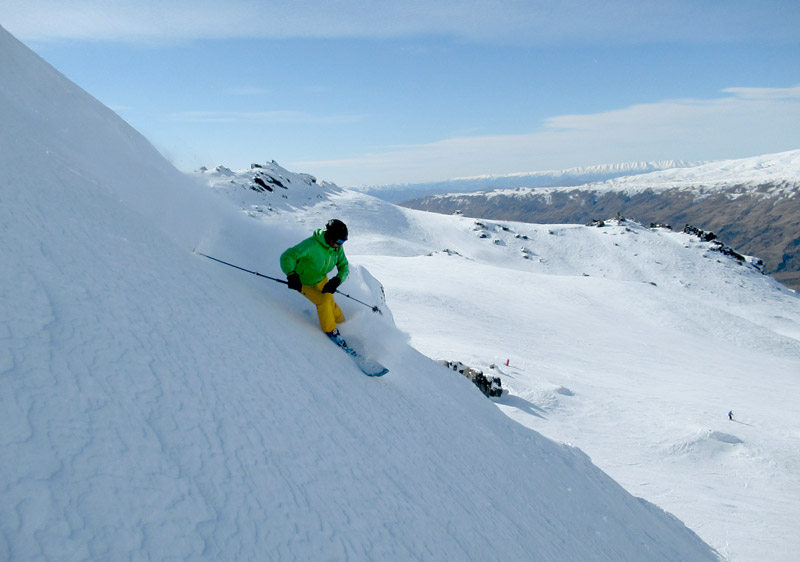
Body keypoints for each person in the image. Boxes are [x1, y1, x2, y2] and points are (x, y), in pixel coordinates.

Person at [280, 219, 350, 345]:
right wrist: (292, 275)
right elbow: (287, 256)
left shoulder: (336, 248)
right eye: (339, 241)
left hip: (322, 279)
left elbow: (344, 265)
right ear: (330, 237)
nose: (340, 245)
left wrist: (337, 280)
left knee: (330, 302)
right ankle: (331, 330)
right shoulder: (311, 245)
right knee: (323, 301)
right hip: (304, 282)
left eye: (343, 242)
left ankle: (344, 324)